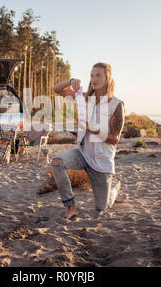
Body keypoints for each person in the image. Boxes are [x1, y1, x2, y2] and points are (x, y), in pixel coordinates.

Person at [52, 63, 125, 220]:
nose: (94, 79)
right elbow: (56, 89)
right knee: (57, 162)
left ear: (107, 78)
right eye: (92, 75)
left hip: (102, 161)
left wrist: (94, 130)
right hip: (82, 153)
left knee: (102, 207)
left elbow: (115, 139)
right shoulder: (85, 99)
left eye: (98, 75)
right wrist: (71, 81)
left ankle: (114, 188)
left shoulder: (116, 105)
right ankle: (71, 207)